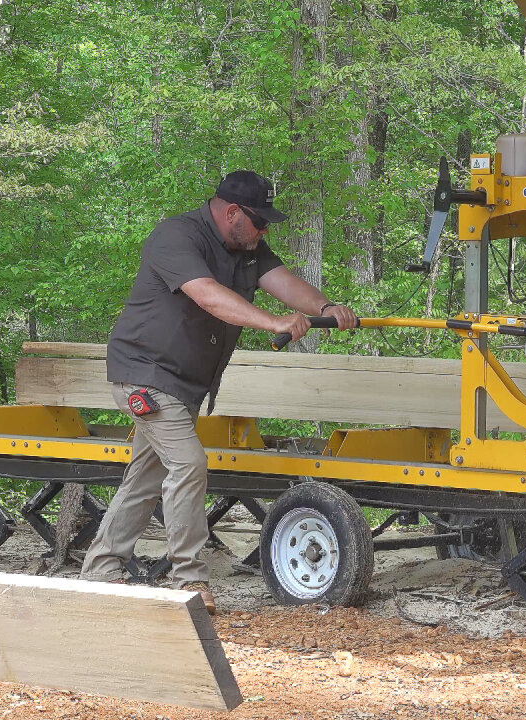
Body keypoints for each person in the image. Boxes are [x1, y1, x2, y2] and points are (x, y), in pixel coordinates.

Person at [80, 170, 357, 614]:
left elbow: (282, 281)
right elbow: (208, 296)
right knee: (188, 464)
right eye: (260, 221)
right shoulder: (176, 236)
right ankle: (188, 580)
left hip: (185, 383)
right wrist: (273, 322)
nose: (265, 231)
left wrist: (325, 307)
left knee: (147, 476)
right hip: (146, 375)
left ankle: (100, 569)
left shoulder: (246, 246)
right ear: (232, 212)